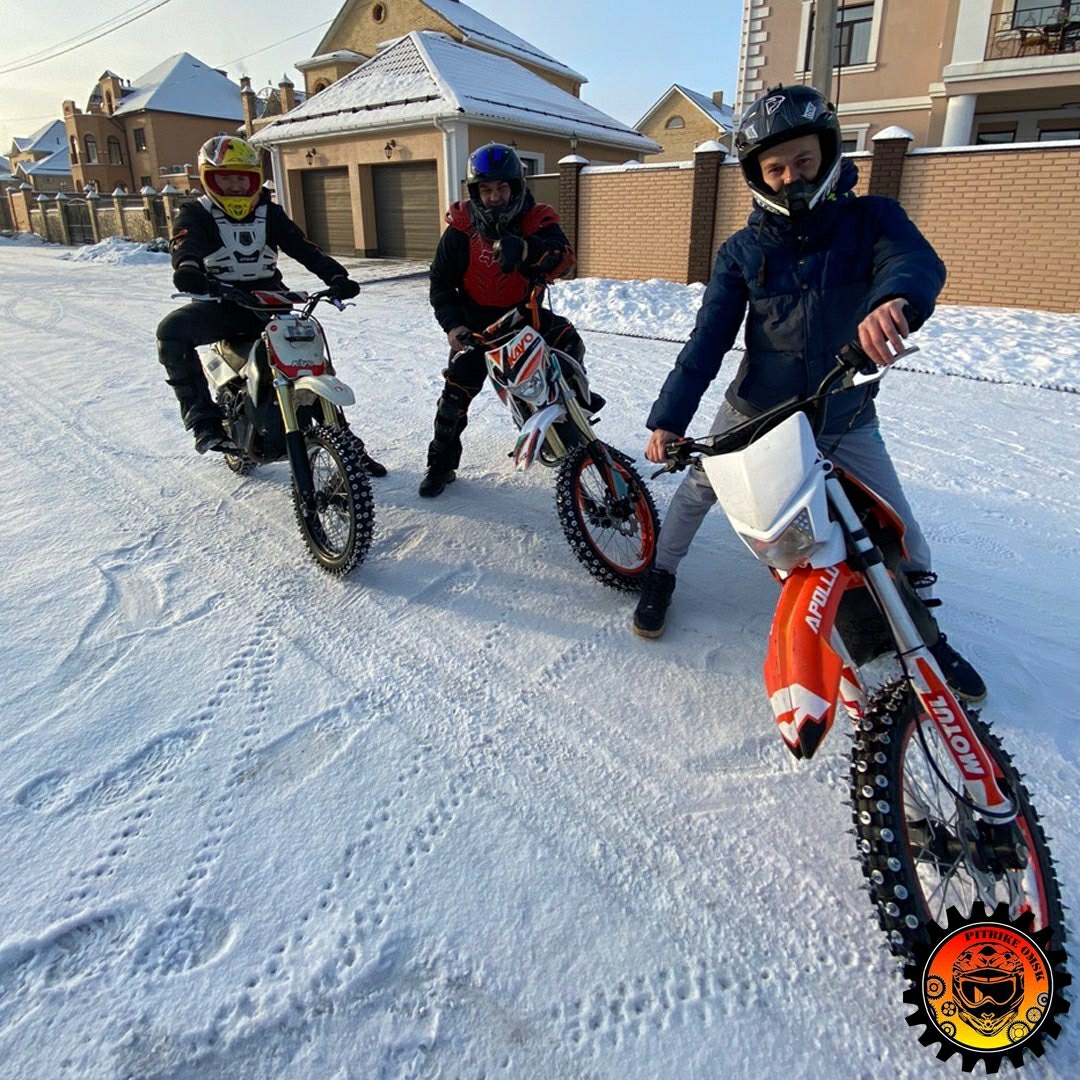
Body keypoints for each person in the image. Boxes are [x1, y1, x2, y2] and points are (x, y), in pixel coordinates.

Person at [633, 84, 986, 703]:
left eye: (802, 161)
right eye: (775, 168)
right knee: (696, 494)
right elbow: (707, 340)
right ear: (758, 177)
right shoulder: (742, 250)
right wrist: (668, 420)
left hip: (844, 411)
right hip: (757, 410)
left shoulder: (873, 218)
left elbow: (913, 262)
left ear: (827, 155)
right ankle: (661, 575)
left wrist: (893, 301)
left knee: (901, 528)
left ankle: (926, 637)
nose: (790, 177)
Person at [157, 135, 385, 474]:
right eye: (226, 178)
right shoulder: (196, 213)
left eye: (242, 178)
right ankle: (203, 418)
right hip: (222, 303)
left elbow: (304, 247)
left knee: (312, 359)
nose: (235, 186)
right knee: (171, 332)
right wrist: (188, 268)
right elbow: (184, 243)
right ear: (210, 179)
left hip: (269, 303)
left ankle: (344, 441)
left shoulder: (269, 212)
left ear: (253, 179)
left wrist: (336, 277)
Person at [420, 142, 587, 497]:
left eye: (501, 187)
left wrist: (528, 249)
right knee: (452, 400)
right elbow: (440, 282)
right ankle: (441, 465)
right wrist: (453, 326)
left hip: (526, 317)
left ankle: (571, 421)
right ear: (475, 192)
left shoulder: (536, 218)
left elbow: (563, 257)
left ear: (515, 186)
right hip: (475, 328)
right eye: (486, 189)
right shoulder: (460, 229)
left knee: (569, 344)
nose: (495, 197)